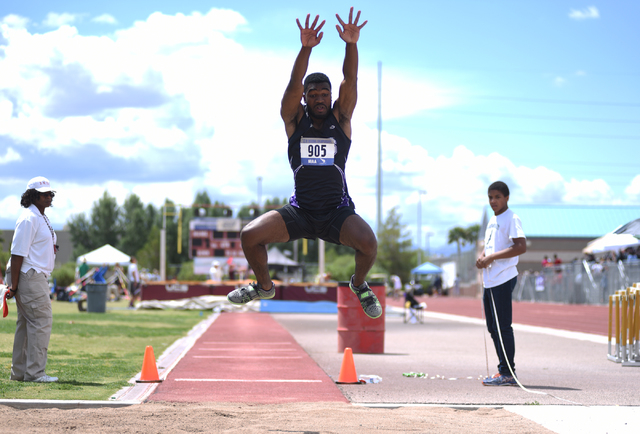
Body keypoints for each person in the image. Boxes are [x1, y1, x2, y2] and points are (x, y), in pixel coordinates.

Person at [226, 8, 381, 319]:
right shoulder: (294, 120)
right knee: (249, 235)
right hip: (301, 211)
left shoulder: (342, 118)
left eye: (325, 94)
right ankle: (264, 286)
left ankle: (359, 284)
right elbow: (293, 82)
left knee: (368, 243)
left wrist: (351, 44)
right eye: (314, 95)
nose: (320, 99)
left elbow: (351, 79)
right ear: (305, 99)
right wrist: (306, 48)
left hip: (336, 211)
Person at [6, 176, 59, 383]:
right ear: (32, 196)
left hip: (33, 273)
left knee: (26, 323)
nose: (48, 197)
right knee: (41, 320)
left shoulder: (39, 216)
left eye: (49, 193)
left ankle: (19, 373)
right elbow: (17, 253)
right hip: (29, 274)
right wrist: (15, 285)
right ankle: (36, 373)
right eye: (43, 194)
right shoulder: (29, 218)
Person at [476, 181, 526, 386]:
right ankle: (502, 369)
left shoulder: (511, 218)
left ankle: (508, 372)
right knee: (492, 327)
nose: (493, 201)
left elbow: (520, 246)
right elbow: (490, 246)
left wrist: (492, 257)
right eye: (490, 197)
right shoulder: (492, 219)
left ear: (507, 198)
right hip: (490, 280)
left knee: (503, 326)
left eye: (497, 197)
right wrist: (483, 256)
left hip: (503, 278)